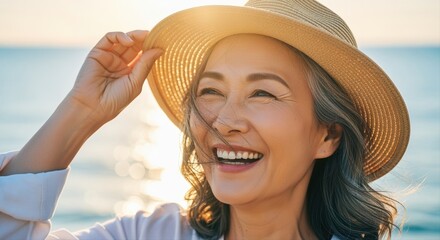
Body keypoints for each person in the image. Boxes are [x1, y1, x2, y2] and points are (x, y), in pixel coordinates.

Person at [0, 0, 410, 239]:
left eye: (263, 92)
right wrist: (82, 111)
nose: (224, 121)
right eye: (210, 91)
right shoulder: (151, 234)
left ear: (329, 135)